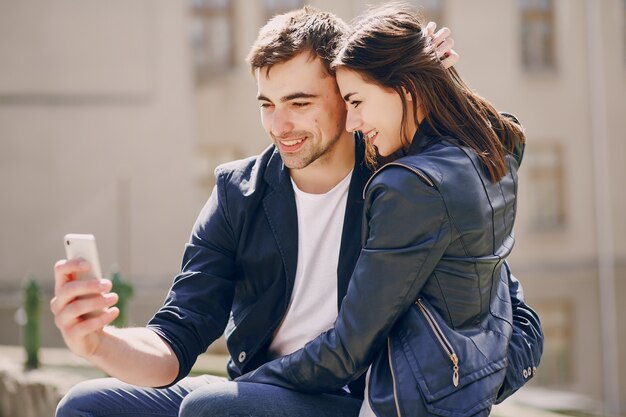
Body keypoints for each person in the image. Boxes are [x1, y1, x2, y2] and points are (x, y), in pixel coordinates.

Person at [51, 6, 541, 417]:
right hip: (260, 390)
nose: (278, 125)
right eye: (266, 104)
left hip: (355, 398)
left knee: (214, 408)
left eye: (300, 102)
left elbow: (490, 183)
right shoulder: (238, 193)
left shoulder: (403, 182)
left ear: (347, 93)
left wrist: (431, 79)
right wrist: (99, 343)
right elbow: (177, 336)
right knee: (87, 405)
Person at [235, 4, 539, 417]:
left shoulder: (411, 187)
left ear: (408, 88)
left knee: (208, 406)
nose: (352, 122)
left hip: (398, 404)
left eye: (357, 102)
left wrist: (243, 388)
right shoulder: (493, 153)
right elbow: (500, 291)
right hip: (456, 395)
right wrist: (429, 72)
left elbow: (346, 350)